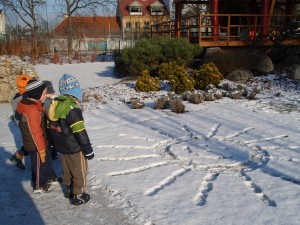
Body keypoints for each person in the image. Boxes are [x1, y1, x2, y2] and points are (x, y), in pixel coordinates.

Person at [47, 74, 94, 205]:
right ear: (74, 91)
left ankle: (68, 188)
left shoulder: (55, 104)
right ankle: (78, 194)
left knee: (66, 168)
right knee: (79, 170)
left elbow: (50, 126)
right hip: (75, 146)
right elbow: (79, 130)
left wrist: (53, 143)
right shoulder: (72, 109)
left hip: (62, 146)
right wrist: (87, 147)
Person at [17, 79, 59, 194]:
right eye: (44, 93)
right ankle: (39, 184)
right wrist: (40, 149)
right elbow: (35, 131)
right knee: (39, 164)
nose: (46, 95)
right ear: (36, 94)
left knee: (47, 158)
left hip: (41, 140)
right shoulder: (32, 110)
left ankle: (50, 176)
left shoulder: (37, 105)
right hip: (35, 144)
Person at [9, 74, 31, 169]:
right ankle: (19, 155)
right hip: (25, 124)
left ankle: (18, 155)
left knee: (31, 142)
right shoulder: (22, 98)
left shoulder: (17, 97)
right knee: (32, 143)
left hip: (24, 124)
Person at [43, 80, 58, 160]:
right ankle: (52, 153)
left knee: (52, 139)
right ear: (45, 93)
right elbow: (49, 114)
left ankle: (54, 152)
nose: (52, 94)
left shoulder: (49, 99)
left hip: (50, 123)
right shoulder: (45, 101)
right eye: (51, 92)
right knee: (50, 138)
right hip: (48, 124)